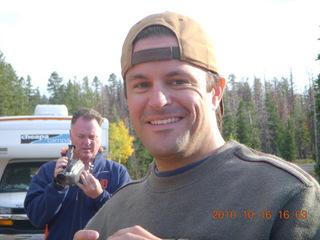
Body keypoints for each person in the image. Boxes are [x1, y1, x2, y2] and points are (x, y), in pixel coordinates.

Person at [74, 12, 320, 240]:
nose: (158, 100)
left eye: (178, 81)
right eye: (141, 85)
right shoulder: (111, 214)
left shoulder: (285, 196)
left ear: (215, 92)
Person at [24, 108, 131, 240]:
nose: (87, 142)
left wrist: (100, 196)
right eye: (81, 136)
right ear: (70, 135)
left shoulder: (117, 172)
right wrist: (57, 186)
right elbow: (36, 217)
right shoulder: (49, 170)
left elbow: (127, 217)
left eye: (92, 136)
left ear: (100, 136)